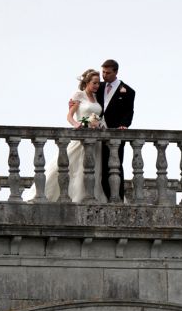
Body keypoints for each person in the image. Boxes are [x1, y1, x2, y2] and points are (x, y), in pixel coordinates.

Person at [43, 68, 105, 203]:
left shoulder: (96, 97)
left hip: (96, 139)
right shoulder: (78, 95)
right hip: (82, 135)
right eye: (94, 83)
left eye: (98, 83)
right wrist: (78, 124)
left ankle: (90, 196)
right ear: (87, 82)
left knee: (93, 168)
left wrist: (99, 124)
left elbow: (99, 116)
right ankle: (74, 197)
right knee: (73, 166)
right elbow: (69, 116)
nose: (97, 86)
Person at [98, 58, 135, 201]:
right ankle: (102, 196)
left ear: (116, 72)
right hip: (98, 133)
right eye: (103, 72)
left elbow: (129, 112)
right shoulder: (98, 87)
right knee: (99, 166)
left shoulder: (128, 91)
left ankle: (116, 197)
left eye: (107, 72)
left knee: (115, 167)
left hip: (115, 135)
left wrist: (124, 125)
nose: (104, 75)